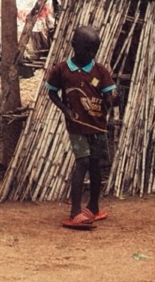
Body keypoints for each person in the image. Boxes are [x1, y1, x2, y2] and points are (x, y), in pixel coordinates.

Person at [45, 25, 117, 230]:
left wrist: (110, 99)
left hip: (97, 125)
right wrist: (64, 110)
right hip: (77, 125)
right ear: (74, 46)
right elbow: (52, 93)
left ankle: (93, 206)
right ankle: (75, 211)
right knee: (82, 162)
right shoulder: (62, 70)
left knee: (95, 165)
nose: (91, 54)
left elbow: (108, 93)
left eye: (95, 50)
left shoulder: (100, 71)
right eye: (88, 49)